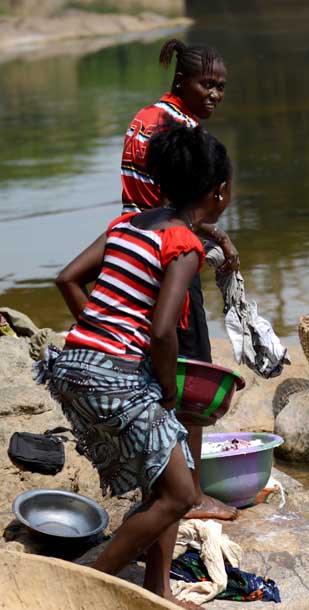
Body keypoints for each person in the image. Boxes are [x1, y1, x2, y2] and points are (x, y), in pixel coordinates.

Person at [41, 125, 232, 610]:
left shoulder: (128, 223)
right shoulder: (184, 243)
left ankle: (157, 588)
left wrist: (98, 330)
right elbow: (165, 330)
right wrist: (166, 388)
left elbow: (67, 279)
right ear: (219, 191)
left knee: (168, 479)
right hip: (116, 376)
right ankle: (91, 586)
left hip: (72, 365)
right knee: (184, 494)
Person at [121, 37, 239, 521]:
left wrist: (213, 234)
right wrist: (206, 236)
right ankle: (188, 495)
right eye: (206, 84)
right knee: (191, 379)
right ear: (180, 82)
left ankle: (166, 484)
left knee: (160, 376)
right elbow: (178, 210)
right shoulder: (181, 133)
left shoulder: (144, 119)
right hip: (168, 258)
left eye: (220, 87)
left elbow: (157, 203)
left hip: (135, 249)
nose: (214, 95)